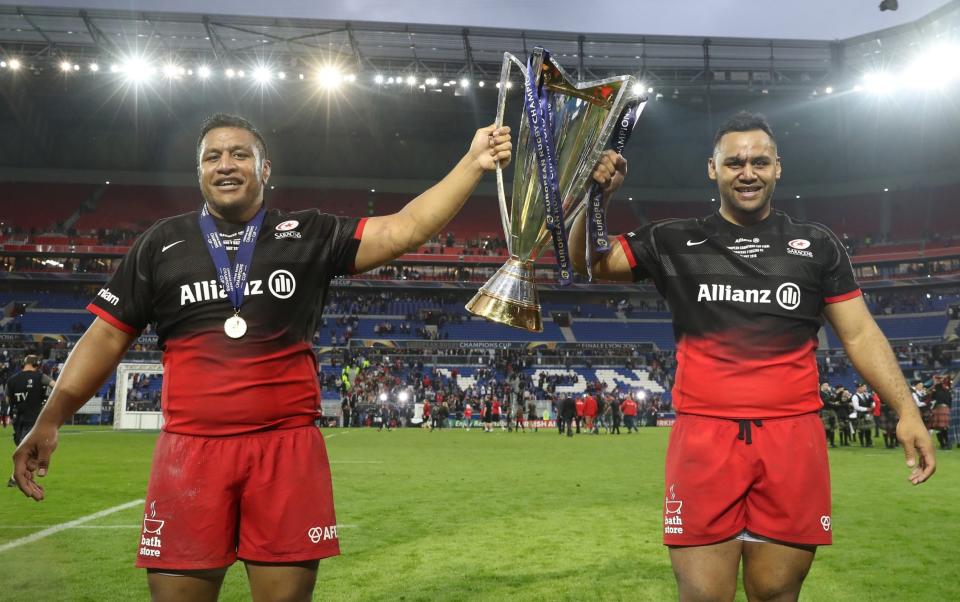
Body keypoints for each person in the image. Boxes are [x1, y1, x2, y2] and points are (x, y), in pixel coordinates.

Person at [12, 113, 511, 601]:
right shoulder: (161, 244)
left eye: (239, 154)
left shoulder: (308, 233)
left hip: (285, 452)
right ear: (199, 171)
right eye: (212, 156)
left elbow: (404, 228)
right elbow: (104, 339)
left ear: (264, 169)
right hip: (191, 453)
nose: (225, 164)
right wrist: (50, 419)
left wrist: (472, 162)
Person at [569, 111, 935, 601]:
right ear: (712, 169)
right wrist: (600, 195)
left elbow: (861, 334)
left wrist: (907, 410)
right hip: (704, 437)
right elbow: (586, 262)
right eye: (735, 162)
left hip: (791, 438)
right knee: (702, 596)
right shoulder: (672, 239)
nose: (748, 172)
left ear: (778, 168)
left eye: (759, 161)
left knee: (776, 593)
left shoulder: (817, 246)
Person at [6, 355, 55, 487]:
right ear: (37, 364)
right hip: (34, 419)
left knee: (22, 448)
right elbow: (55, 387)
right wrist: (45, 399)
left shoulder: (11, 380)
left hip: (17, 420)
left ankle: (16, 478)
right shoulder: (41, 377)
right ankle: (16, 477)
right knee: (28, 450)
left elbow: (7, 400)